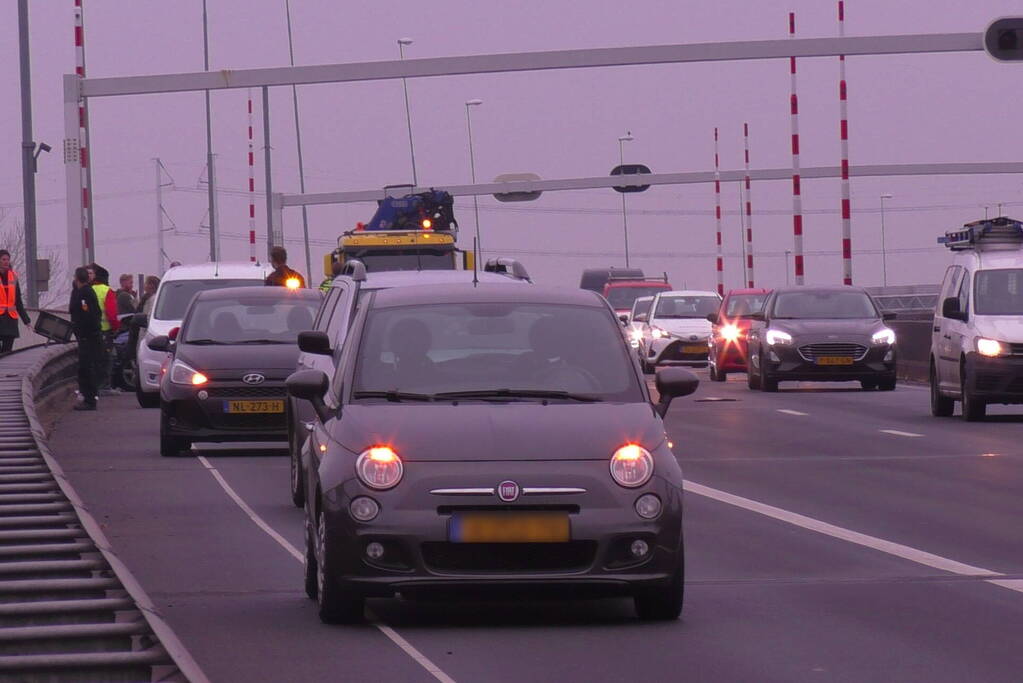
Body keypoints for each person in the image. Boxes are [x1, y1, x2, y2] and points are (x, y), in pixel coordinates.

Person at [70, 266, 101, 410]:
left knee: (86, 369)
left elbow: (85, 315)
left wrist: (81, 331)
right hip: (89, 337)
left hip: (87, 337)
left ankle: (89, 400)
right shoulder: (85, 292)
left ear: (77, 279)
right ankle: (89, 398)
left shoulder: (84, 294)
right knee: (86, 368)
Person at [89, 264, 120, 393]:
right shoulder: (107, 291)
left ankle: (93, 385)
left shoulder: (87, 290)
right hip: (105, 331)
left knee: (92, 359)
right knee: (107, 358)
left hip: (90, 330)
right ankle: (105, 386)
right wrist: (116, 327)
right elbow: (111, 313)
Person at [0, 250, 31, 354]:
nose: (6, 262)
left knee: (7, 352)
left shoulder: (13, 277)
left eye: (8, 259)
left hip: (10, 320)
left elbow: (18, 302)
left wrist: (26, 320)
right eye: (3, 259)